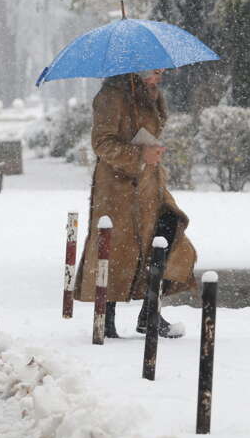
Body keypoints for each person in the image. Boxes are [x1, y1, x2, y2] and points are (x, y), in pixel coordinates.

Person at [73, 68, 196, 339]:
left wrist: (150, 150)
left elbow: (150, 128)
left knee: (169, 234)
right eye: (154, 68)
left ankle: (150, 312)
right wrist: (139, 154)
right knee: (117, 249)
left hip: (150, 185)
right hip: (118, 189)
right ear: (136, 69)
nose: (161, 72)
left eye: (161, 68)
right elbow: (102, 143)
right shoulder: (111, 96)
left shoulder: (147, 95)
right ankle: (106, 319)